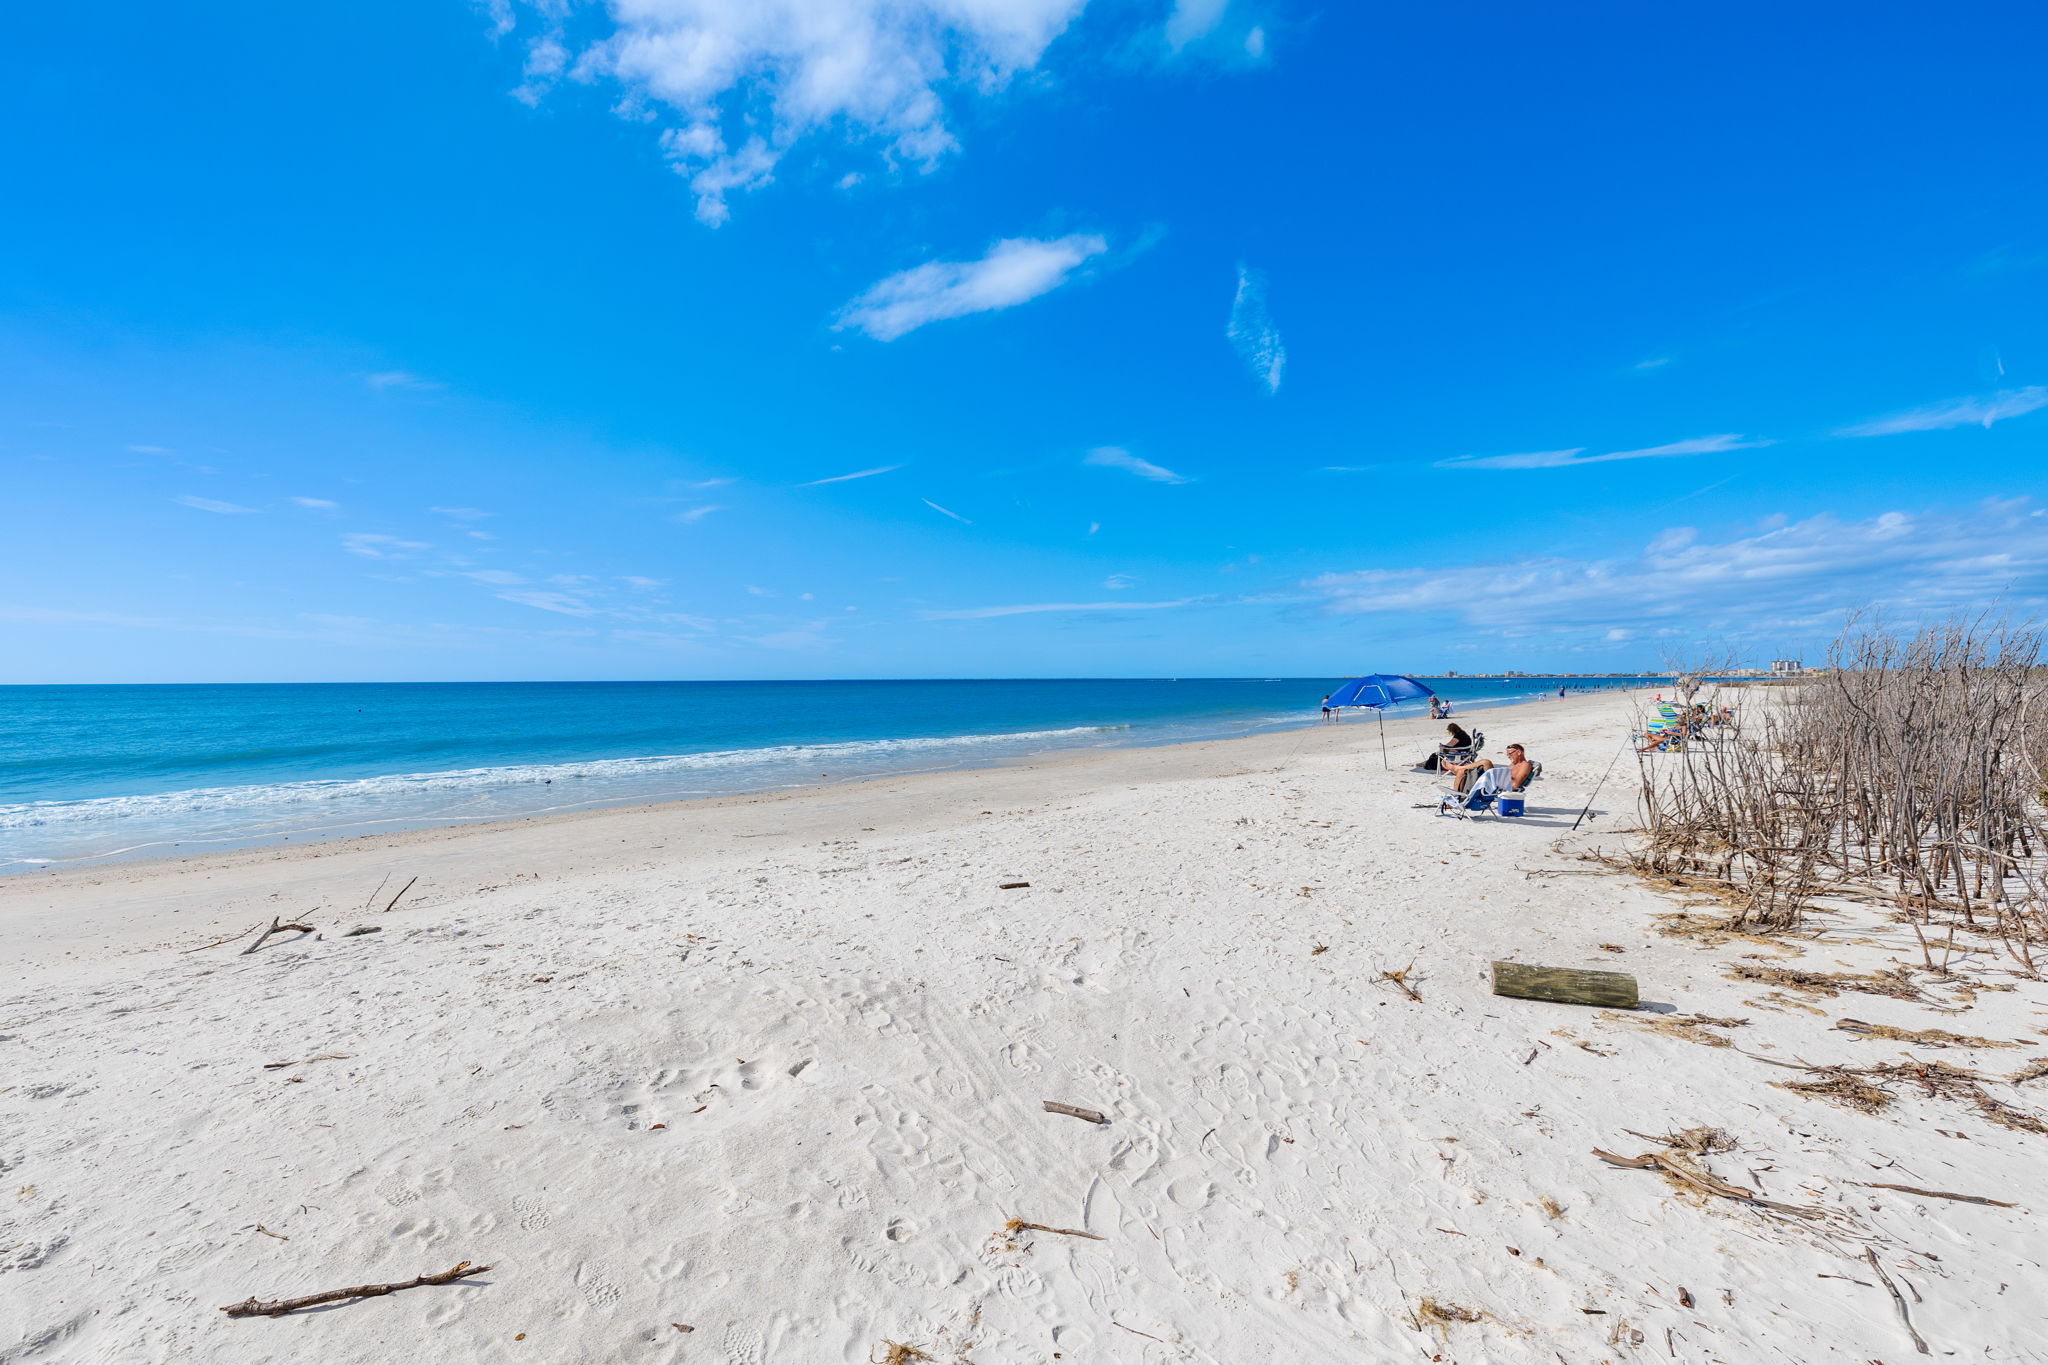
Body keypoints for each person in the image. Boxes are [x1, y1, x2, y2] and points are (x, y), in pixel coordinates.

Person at [1444, 742, 1533, 794]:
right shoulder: (1513, 764)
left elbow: (1516, 785)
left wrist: (1500, 776)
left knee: (1486, 762)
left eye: (1510, 754)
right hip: (1498, 781)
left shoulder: (1525, 765)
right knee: (1462, 772)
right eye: (1507, 754)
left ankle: (1456, 768)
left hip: (1501, 785)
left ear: (1518, 752)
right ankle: (1454, 797)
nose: (1508, 756)